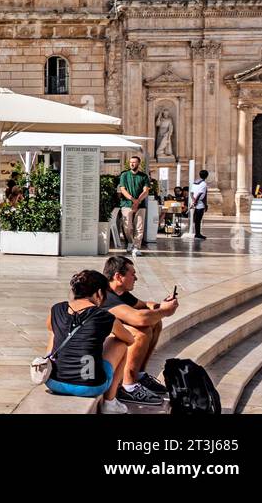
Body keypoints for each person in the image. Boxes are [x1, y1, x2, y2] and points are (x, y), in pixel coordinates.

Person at [43, 269, 134, 413]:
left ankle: (55, 367)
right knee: (120, 344)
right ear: (98, 293)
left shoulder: (57, 308)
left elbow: (50, 326)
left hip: (53, 382)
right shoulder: (104, 316)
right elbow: (130, 339)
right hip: (90, 385)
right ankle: (110, 403)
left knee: (56, 331)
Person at [101, 255, 177, 407]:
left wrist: (159, 307)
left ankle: (139, 375)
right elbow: (140, 319)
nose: (136, 278)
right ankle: (128, 386)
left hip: (107, 337)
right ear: (118, 276)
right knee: (140, 332)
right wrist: (164, 311)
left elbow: (144, 306)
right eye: (132, 274)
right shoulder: (106, 296)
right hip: (97, 344)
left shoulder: (121, 293)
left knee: (155, 323)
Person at [117, 155, 150, 252]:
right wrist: (133, 200)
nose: (132, 164)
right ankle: (130, 242)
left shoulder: (144, 176)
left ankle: (136, 247)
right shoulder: (124, 175)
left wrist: (137, 201)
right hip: (126, 204)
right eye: (131, 162)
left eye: (134, 162)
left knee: (139, 227)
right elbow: (123, 190)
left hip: (141, 205)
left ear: (138, 163)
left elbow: (146, 191)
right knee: (127, 226)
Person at [189, 170, 209, 240]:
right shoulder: (203, 184)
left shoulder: (195, 183)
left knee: (196, 219)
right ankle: (197, 234)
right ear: (207, 176)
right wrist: (195, 202)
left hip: (196, 202)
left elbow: (191, 193)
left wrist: (194, 201)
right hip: (200, 204)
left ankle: (197, 233)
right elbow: (200, 194)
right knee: (198, 220)